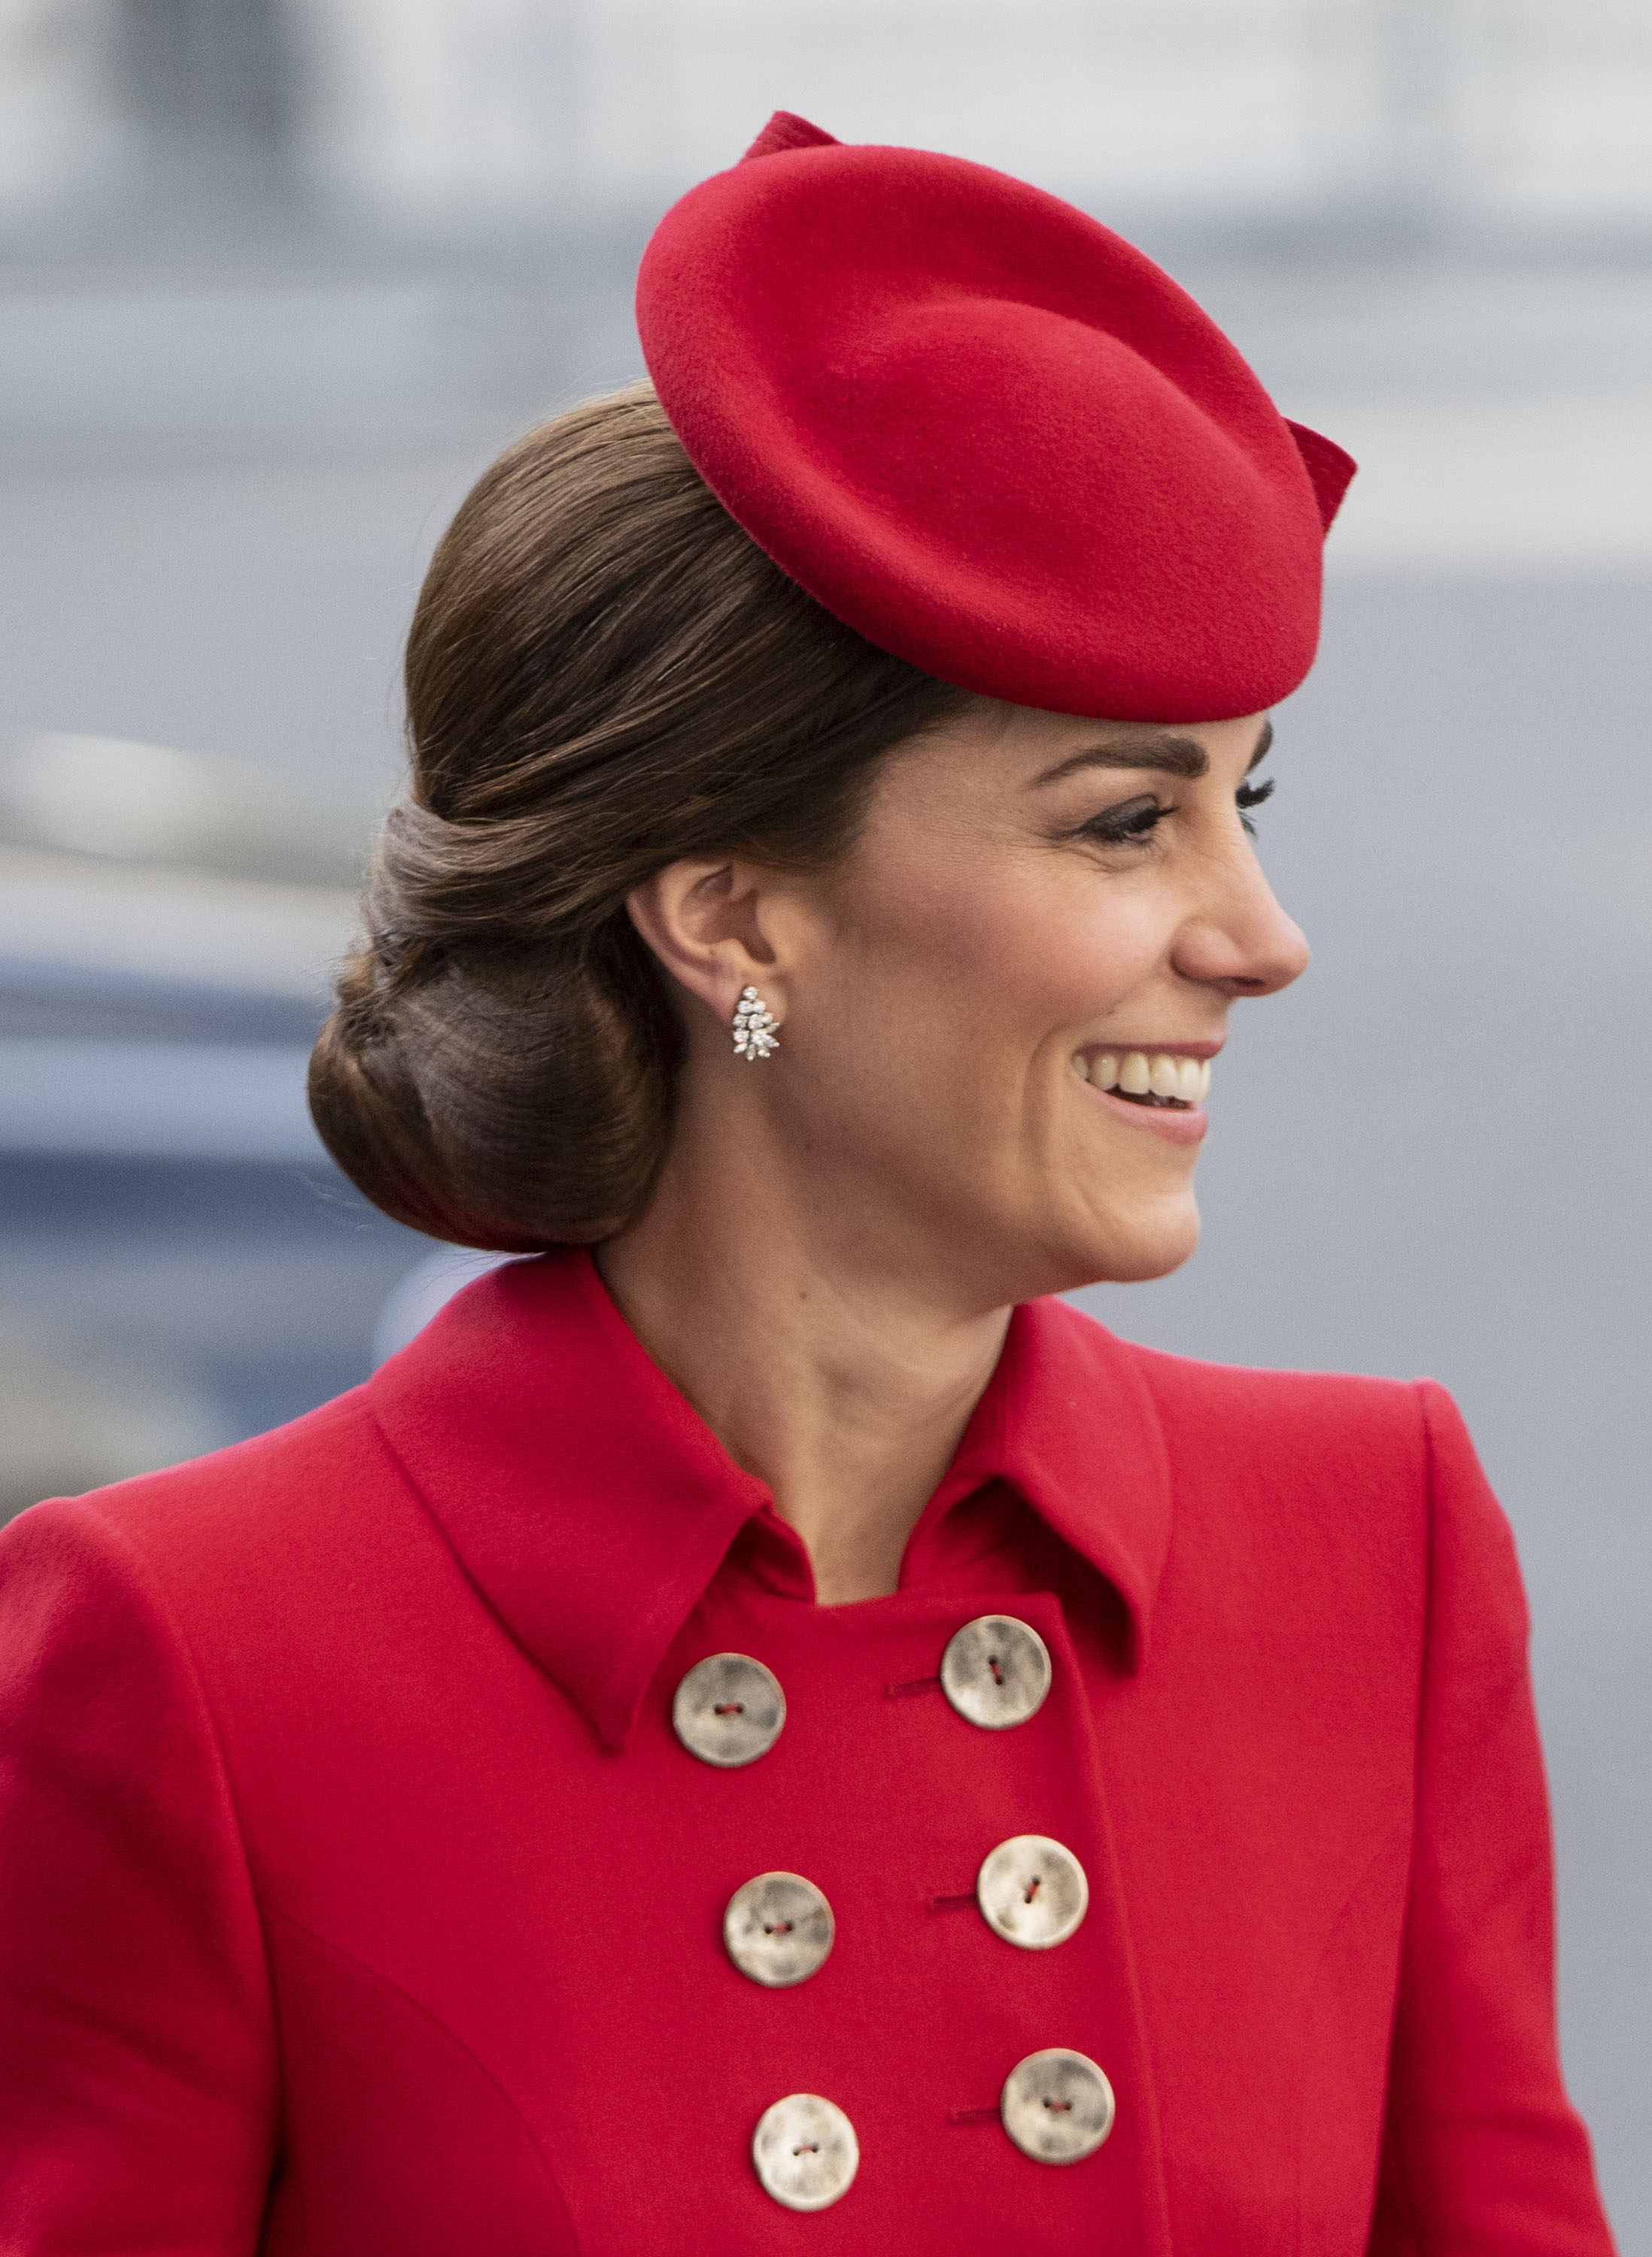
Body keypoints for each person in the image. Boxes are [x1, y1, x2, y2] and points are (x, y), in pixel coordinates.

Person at [0, 112, 1615, 2255]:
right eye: (1124, 826)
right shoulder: (190, 1652)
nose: (1258, 934)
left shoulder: (1374, 1548)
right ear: (733, 918)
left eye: (1248, 806)